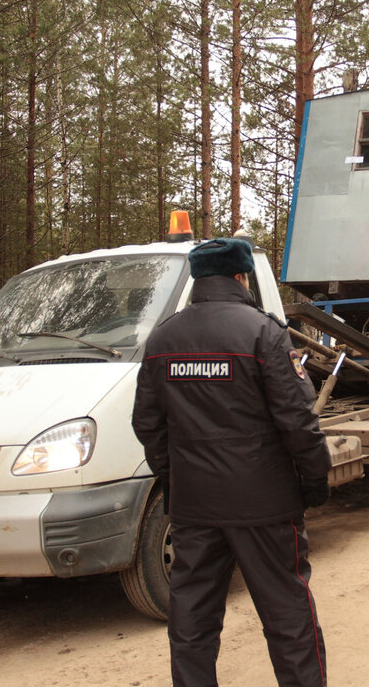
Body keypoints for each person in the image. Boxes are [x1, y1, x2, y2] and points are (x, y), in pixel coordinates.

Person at [131, 238, 333, 687]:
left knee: (192, 624)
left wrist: (175, 475)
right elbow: (297, 421)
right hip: (266, 507)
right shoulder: (263, 332)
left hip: (195, 508)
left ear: (198, 279)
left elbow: (146, 423)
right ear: (241, 277)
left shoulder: (164, 338)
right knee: (288, 616)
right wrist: (316, 479)